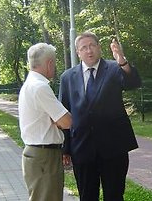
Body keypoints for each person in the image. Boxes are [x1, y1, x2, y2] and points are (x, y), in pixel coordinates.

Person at [59, 32, 142, 201]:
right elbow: (64, 113)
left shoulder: (113, 68)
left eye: (92, 46)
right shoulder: (67, 77)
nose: (89, 51)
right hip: (82, 148)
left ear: (99, 48)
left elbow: (133, 82)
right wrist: (65, 148)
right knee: (87, 196)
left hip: (113, 147)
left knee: (114, 195)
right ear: (78, 52)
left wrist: (122, 61)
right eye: (84, 48)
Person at [18, 43, 72, 201]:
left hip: (37, 155)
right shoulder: (40, 87)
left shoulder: (29, 85)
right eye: (54, 63)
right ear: (50, 63)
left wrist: (55, 118)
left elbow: (59, 120)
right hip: (45, 157)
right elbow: (67, 121)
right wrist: (59, 118)